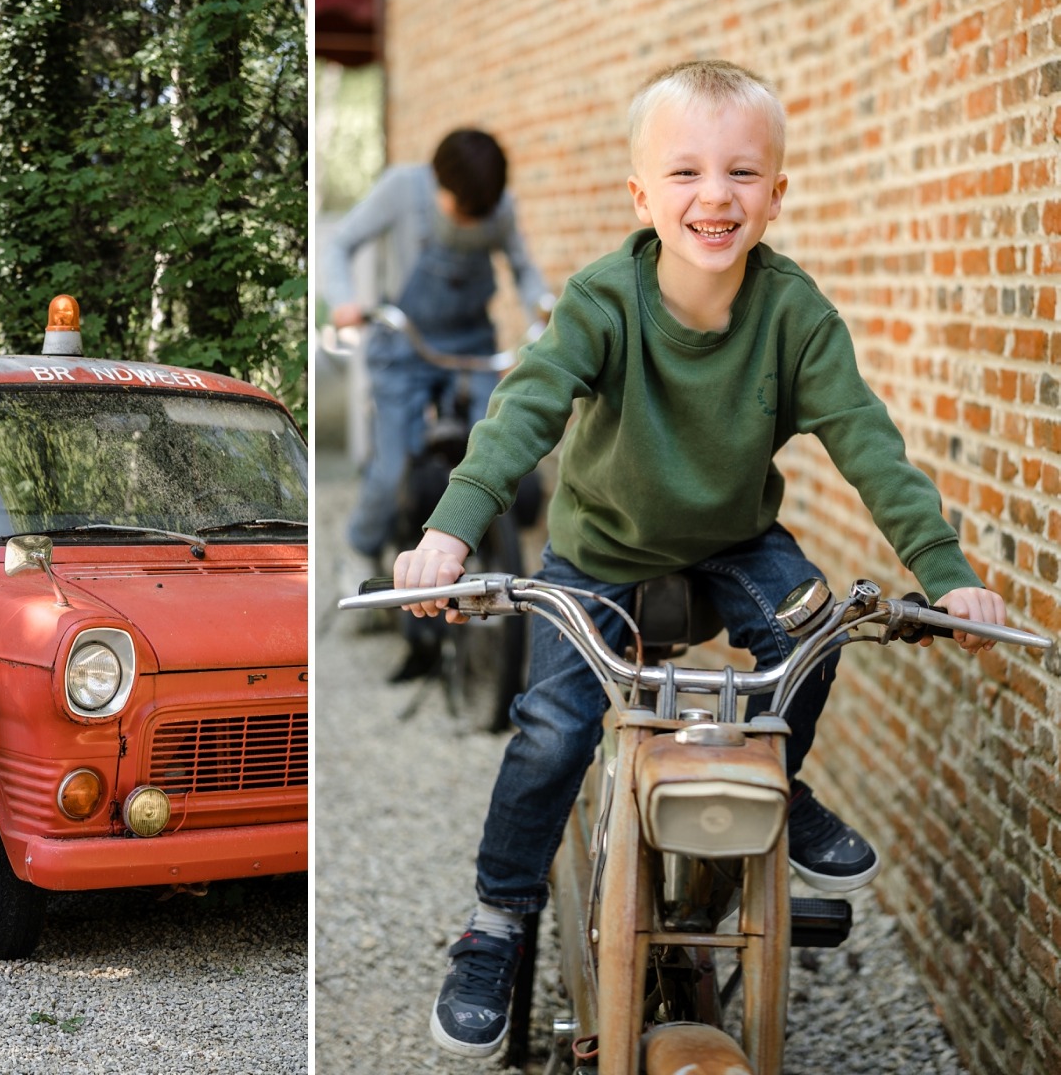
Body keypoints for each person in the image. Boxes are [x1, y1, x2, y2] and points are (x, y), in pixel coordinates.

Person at [392, 60, 1008, 1060]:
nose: (714, 195)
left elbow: (868, 442)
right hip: (600, 544)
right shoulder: (602, 300)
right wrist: (450, 531)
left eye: (741, 173)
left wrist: (945, 572)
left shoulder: (794, 315)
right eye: (684, 173)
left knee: (811, 624)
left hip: (731, 536)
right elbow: (525, 412)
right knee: (552, 729)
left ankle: (780, 776)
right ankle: (496, 924)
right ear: (642, 196)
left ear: (777, 192)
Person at [323, 128, 554, 585]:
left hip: (471, 346)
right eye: (459, 212)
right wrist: (343, 300)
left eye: (478, 217)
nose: (469, 224)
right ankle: (360, 548)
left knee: (496, 451)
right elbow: (339, 243)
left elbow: (523, 268)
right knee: (392, 471)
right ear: (436, 180)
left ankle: (478, 548)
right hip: (405, 345)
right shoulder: (402, 188)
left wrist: (541, 307)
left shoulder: (500, 207)